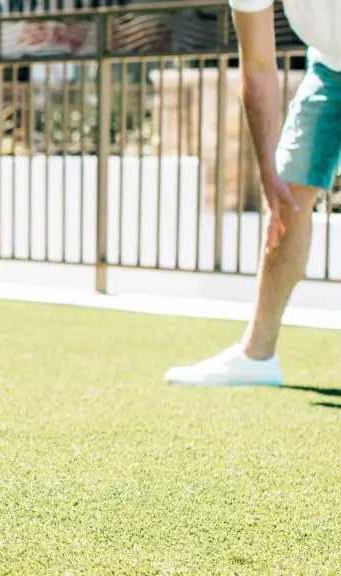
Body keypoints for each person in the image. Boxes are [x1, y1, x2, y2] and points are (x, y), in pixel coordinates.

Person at [165, 0, 340, 386]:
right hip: (332, 68)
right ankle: (257, 356)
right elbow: (258, 65)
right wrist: (268, 170)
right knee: (287, 200)